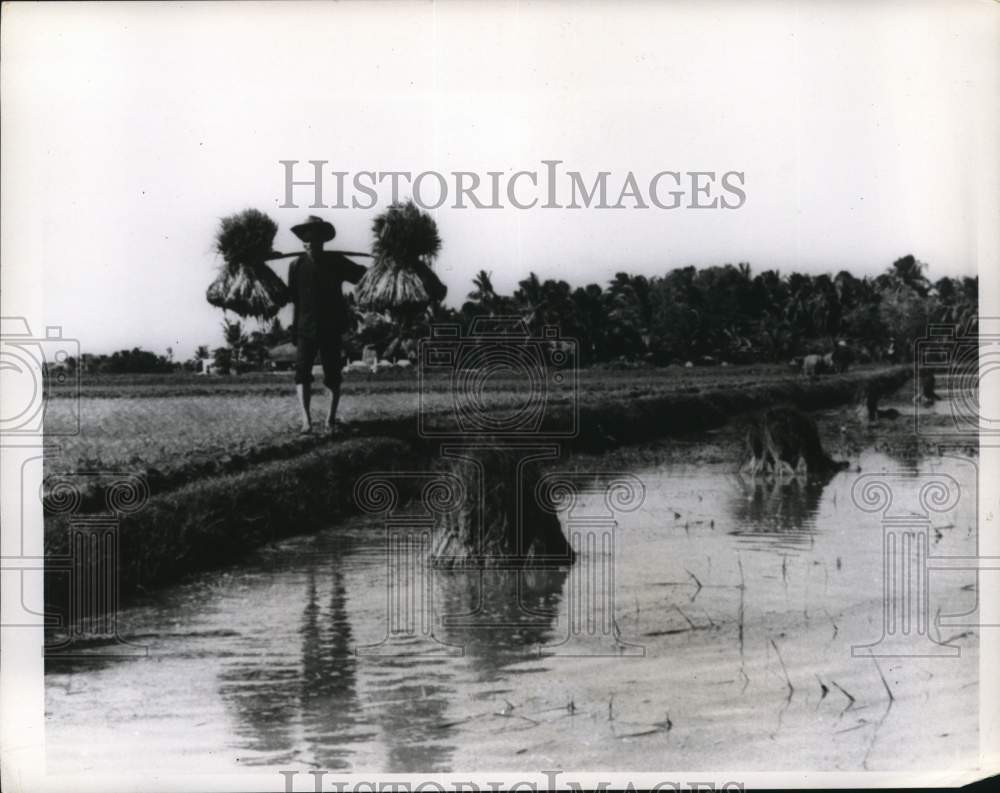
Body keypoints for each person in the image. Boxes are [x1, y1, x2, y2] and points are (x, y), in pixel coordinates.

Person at [287, 216, 366, 434]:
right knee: (301, 374)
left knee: (333, 374)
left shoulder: (336, 262)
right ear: (303, 244)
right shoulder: (296, 266)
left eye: (316, 240)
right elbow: (294, 299)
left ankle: (330, 420)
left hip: (331, 327)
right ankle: (306, 420)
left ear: (323, 242)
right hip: (304, 329)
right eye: (307, 241)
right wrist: (294, 329)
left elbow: (362, 275)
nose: (311, 244)